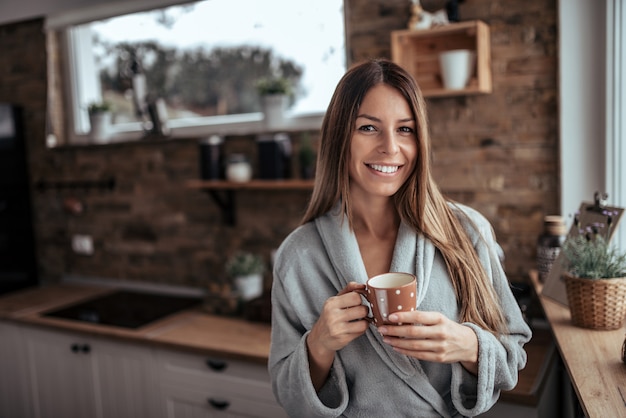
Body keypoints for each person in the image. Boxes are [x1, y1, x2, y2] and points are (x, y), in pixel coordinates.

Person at [268, 58, 532, 417]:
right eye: (368, 128)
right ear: (338, 136)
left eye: (405, 129)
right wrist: (318, 344)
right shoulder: (298, 256)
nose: (390, 147)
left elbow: (512, 355)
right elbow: (287, 394)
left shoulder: (466, 231)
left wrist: (467, 345)